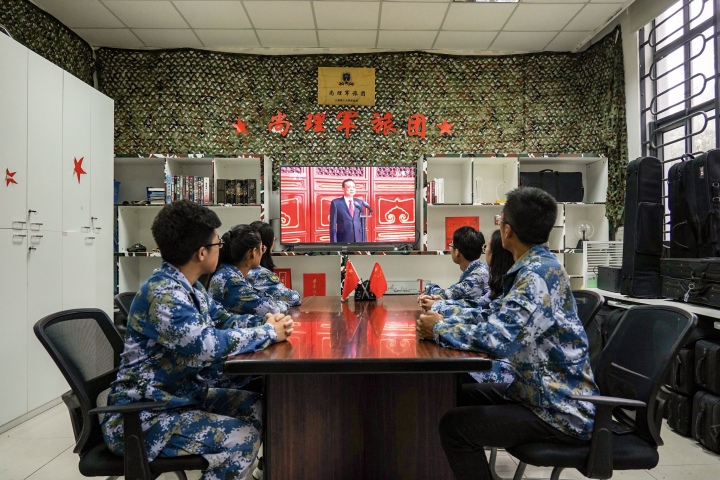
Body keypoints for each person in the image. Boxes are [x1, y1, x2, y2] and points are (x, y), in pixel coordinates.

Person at [101, 200, 293, 480]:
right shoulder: (165, 294)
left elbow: (224, 320)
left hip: (178, 398)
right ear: (202, 252)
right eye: (218, 244)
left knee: (261, 408)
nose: (221, 249)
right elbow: (208, 345)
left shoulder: (190, 287)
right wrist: (268, 333)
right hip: (143, 417)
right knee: (241, 439)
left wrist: (266, 322)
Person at [416, 187, 599, 480]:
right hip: (535, 393)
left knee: (455, 427)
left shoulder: (536, 276)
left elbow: (500, 340)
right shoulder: (533, 268)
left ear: (507, 231)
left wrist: (438, 327)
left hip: (557, 410)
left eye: (500, 220)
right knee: (451, 394)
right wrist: (444, 317)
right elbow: (492, 314)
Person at [209, 224, 291, 315]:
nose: (262, 253)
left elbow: (259, 297)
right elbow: (271, 310)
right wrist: (284, 304)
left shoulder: (229, 272)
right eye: (262, 249)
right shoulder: (230, 280)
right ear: (253, 253)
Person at [417, 226, 489, 311]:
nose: (450, 249)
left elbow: (447, 294)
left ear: (457, 252)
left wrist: (428, 288)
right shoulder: (479, 268)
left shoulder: (476, 277)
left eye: (451, 246)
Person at [246, 221, 301, 307]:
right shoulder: (261, 274)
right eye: (274, 239)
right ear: (264, 246)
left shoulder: (235, 268)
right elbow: (292, 298)